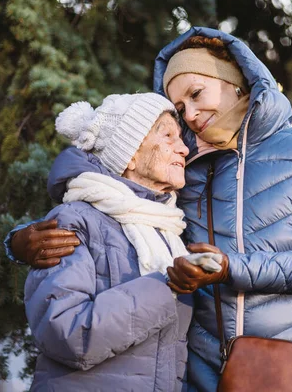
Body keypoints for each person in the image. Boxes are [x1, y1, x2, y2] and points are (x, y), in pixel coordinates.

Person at [10, 27, 292, 391]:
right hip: (201, 375)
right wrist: (18, 243)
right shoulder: (184, 170)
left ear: (235, 80)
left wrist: (229, 268)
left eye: (196, 94)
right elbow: (114, 196)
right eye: (179, 109)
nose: (190, 115)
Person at [24, 93, 197, 391]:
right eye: (168, 136)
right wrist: (164, 287)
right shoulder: (74, 220)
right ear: (129, 153)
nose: (183, 149)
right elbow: (66, 332)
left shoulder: (168, 230)